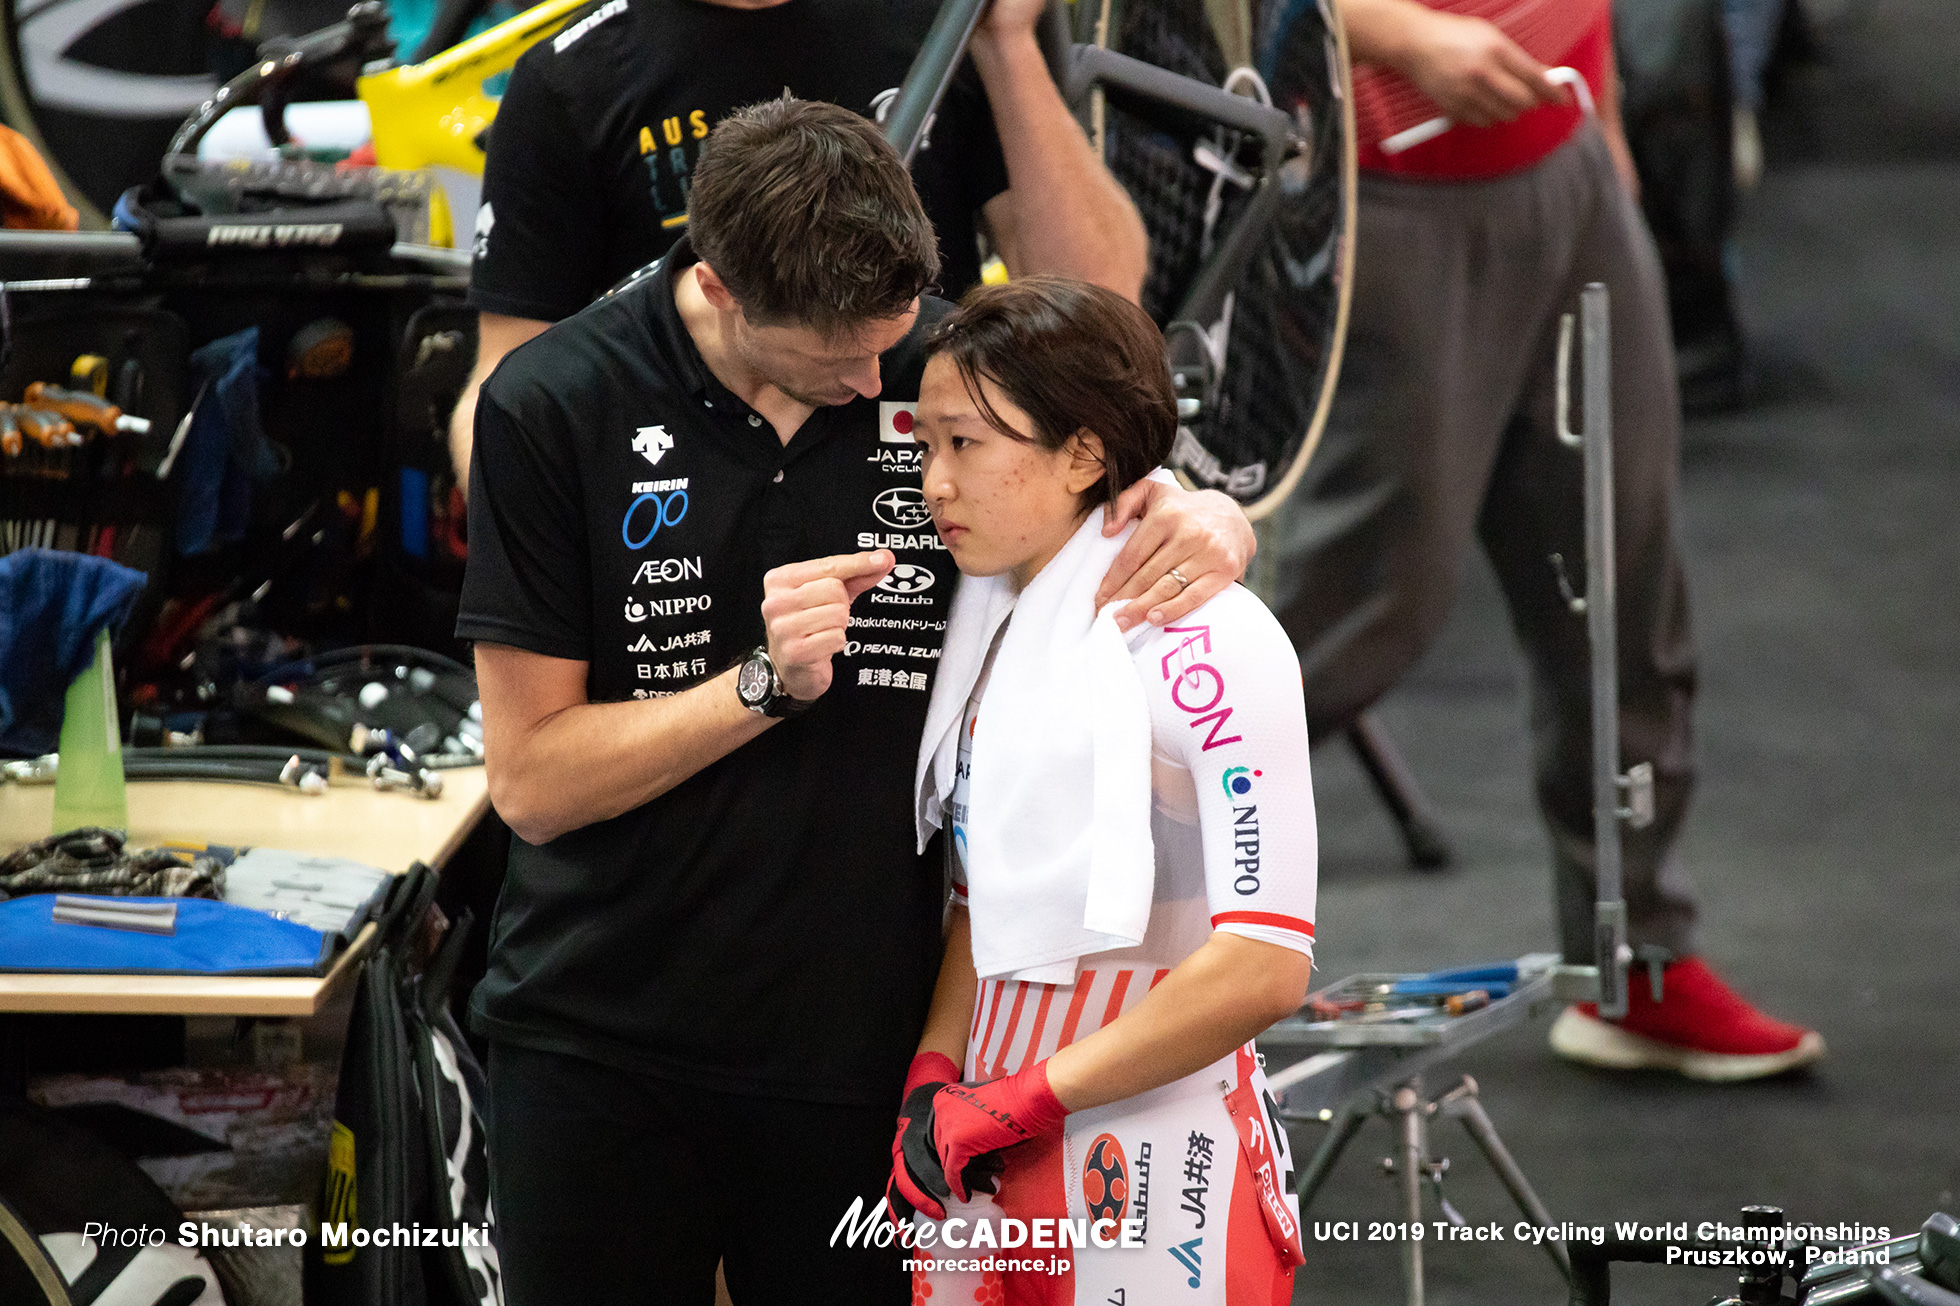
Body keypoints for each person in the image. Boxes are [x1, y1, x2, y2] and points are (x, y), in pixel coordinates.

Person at [459, 99, 1253, 1303]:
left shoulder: (949, 375)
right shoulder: (555, 402)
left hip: (862, 1041)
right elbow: (529, 785)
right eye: (840, 358)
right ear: (722, 287)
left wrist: (1212, 517)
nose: (878, 381)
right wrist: (758, 688)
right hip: (598, 1034)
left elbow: (1119, 473)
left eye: (895, 341)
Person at [1264, 0, 1821, 1081]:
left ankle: (1636, 961)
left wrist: (1603, 134)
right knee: (1363, 609)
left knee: (1622, 587)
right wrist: (1402, 37)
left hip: (1564, 172)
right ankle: (1087, 933)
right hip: (1388, 195)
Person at [887, 278, 1317, 1303]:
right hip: (983, 1146)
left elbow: (1264, 962)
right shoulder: (984, 624)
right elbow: (980, 895)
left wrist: (1030, 1095)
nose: (932, 482)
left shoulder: (1215, 637)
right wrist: (934, 1074)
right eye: (924, 444)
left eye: (965, 445)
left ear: (1083, 454)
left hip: (1152, 1154)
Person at [449, 0, 1148, 483]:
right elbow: (508, 381)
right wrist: (548, 554)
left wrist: (1006, 44)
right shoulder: (575, 75)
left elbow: (1098, 302)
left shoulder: (937, 29)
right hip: (685, 498)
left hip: (924, 483)